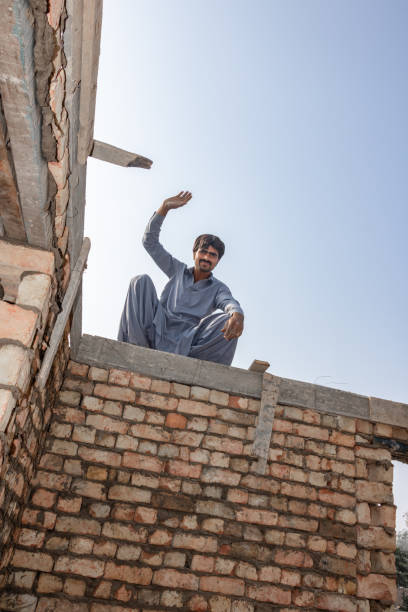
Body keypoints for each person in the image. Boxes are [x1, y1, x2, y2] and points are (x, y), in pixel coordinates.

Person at [118, 191, 244, 365]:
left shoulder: (218, 288)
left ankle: (205, 371)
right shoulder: (177, 270)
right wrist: (164, 208)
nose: (207, 257)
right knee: (140, 282)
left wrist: (237, 314)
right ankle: (136, 348)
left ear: (217, 260)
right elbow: (149, 242)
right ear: (195, 253)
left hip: (189, 340)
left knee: (227, 320)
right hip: (157, 327)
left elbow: (229, 301)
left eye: (213, 255)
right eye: (204, 252)